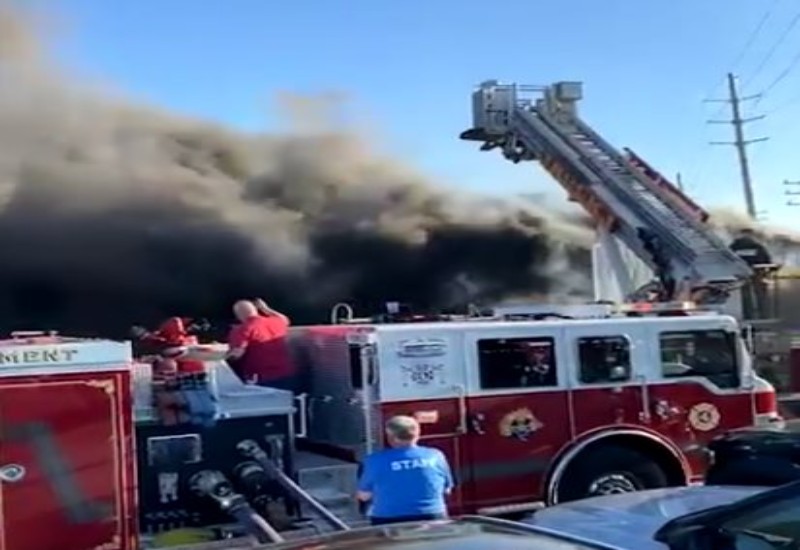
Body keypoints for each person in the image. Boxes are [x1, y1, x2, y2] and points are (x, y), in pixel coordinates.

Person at [356, 415, 454, 526]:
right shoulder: (436, 455)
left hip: (389, 520)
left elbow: (364, 495)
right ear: (418, 433)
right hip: (433, 517)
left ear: (390, 437)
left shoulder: (374, 460)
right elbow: (447, 490)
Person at [226, 299, 296, 391]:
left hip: (262, 376)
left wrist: (222, 359)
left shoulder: (242, 329)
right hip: (287, 373)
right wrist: (265, 309)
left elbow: (237, 354)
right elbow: (285, 319)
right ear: (256, 310)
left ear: (238, 315)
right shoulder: (276, 321)